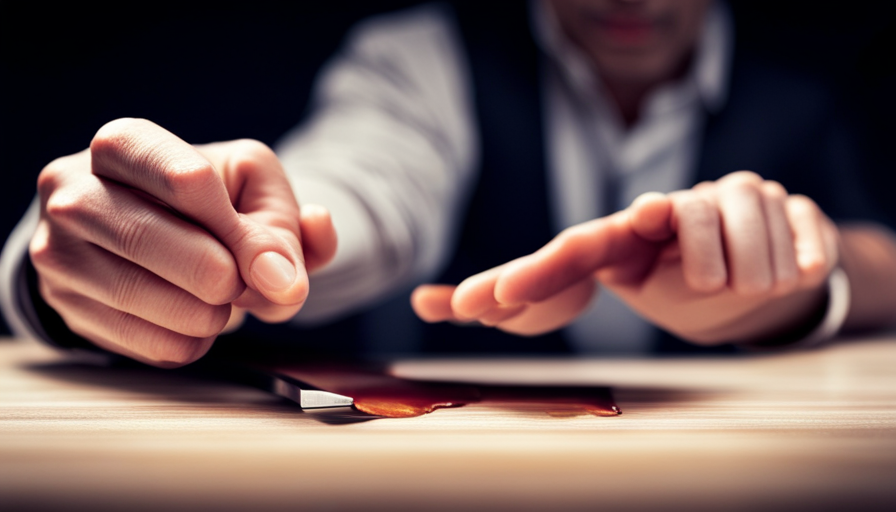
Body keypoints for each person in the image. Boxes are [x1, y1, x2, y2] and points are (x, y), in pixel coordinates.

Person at [2, 0, 895, 367]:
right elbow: (366, 179)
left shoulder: (802, 91)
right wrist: (251, 234)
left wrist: (797, 284)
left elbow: (879, 255)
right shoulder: (427, 59)